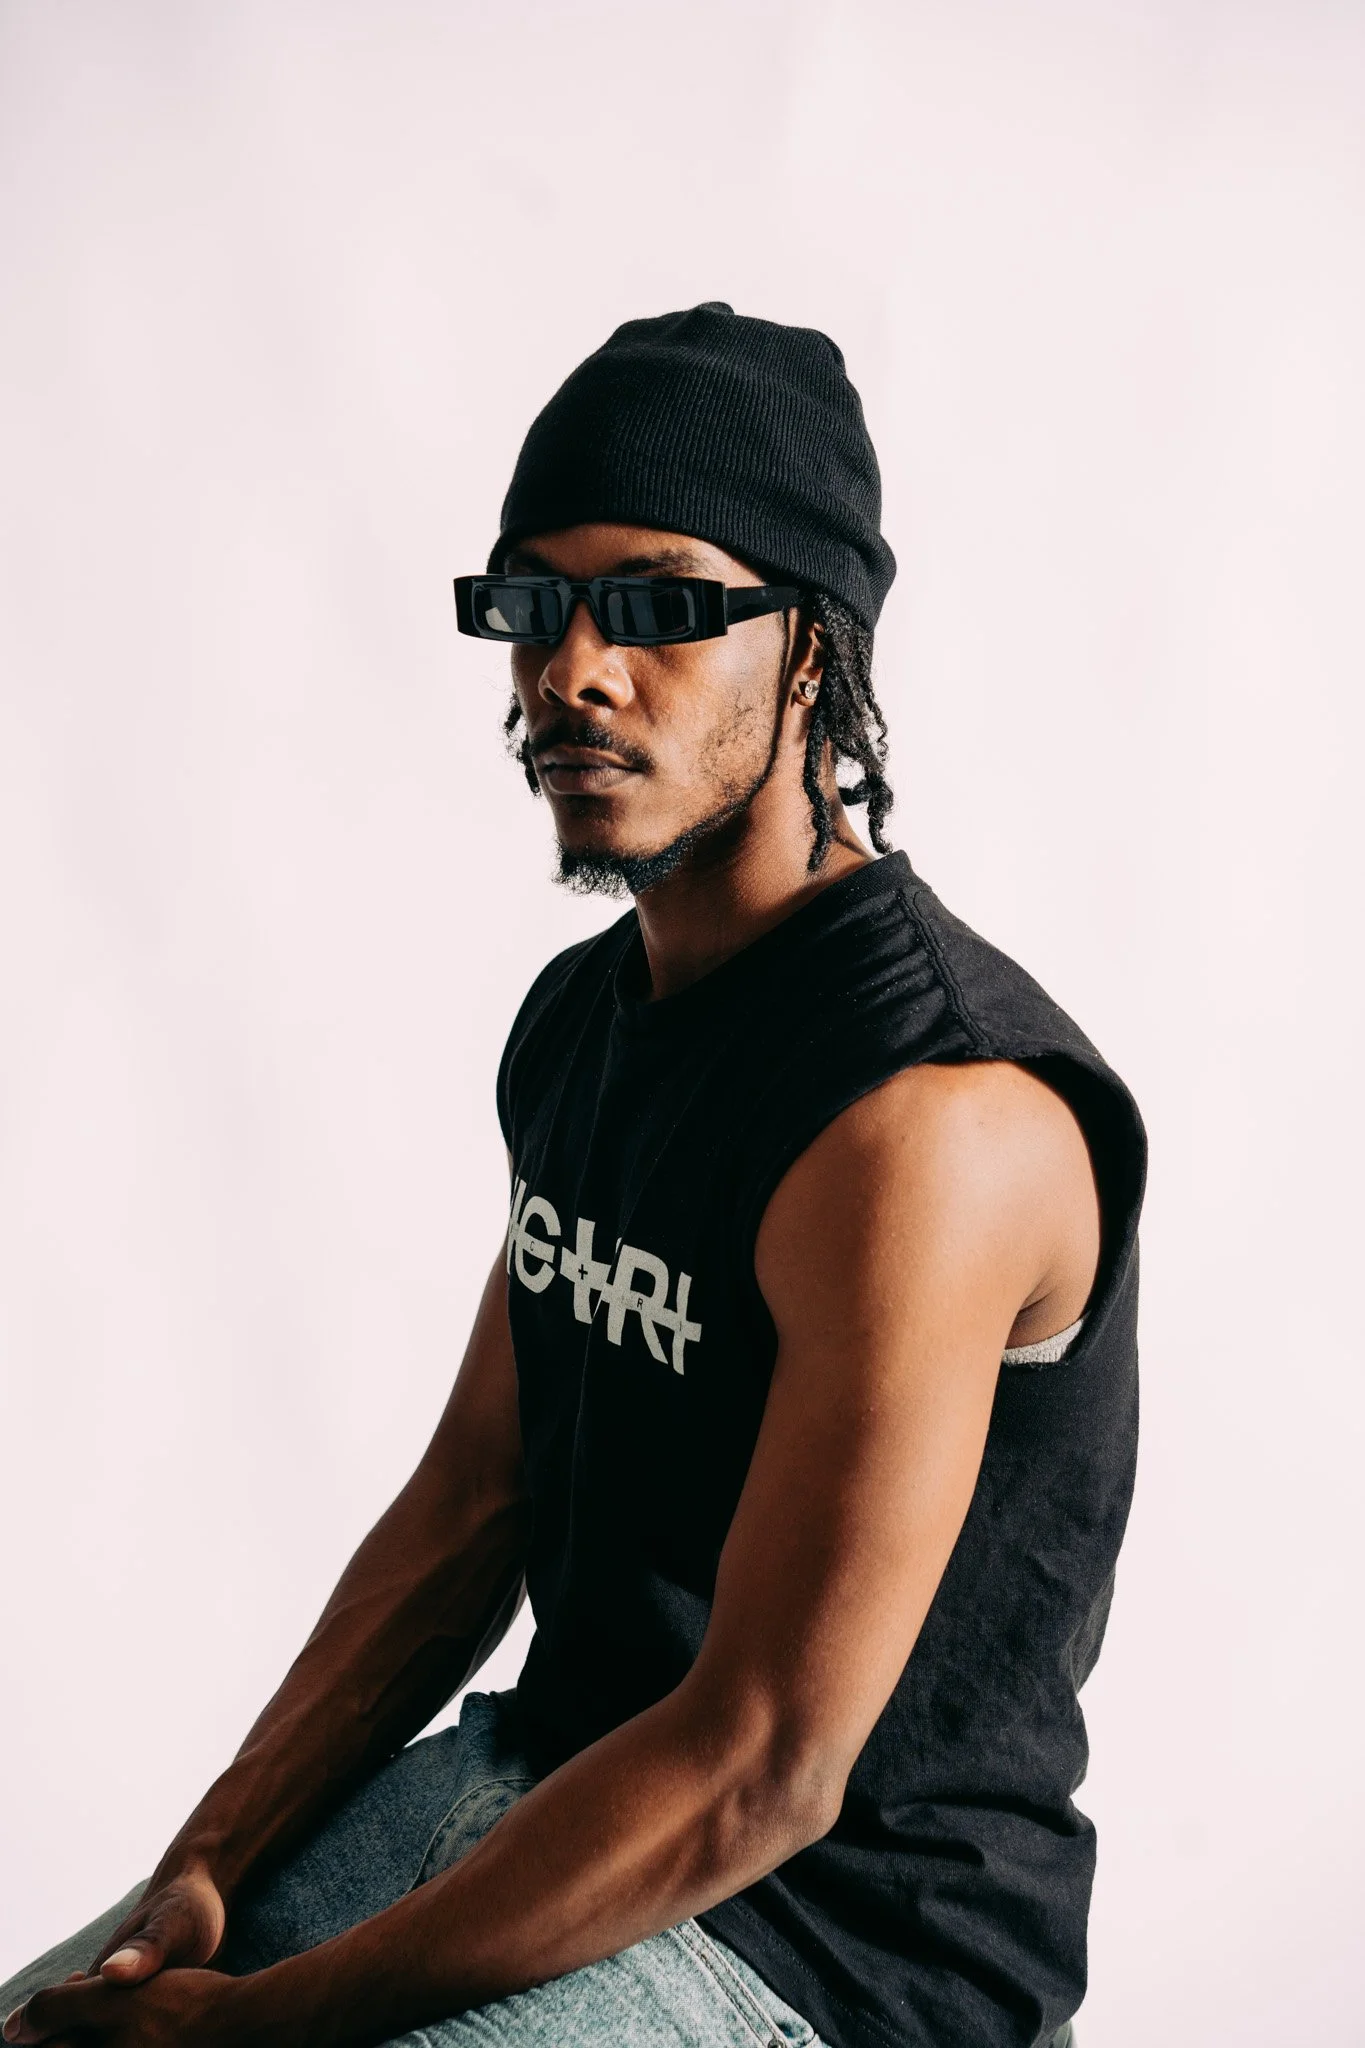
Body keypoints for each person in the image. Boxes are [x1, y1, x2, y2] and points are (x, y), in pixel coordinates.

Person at [2, 304, 1144, 2048]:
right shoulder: (588, 1018)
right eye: (535, 606)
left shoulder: (932, 1122)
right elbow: (480, 1499)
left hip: (835, 1956)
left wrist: (257, 2028)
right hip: (545, 1793)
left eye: (665, 608)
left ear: (813, 653)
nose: (576, 670)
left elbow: (762, 1766)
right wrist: (211, 1857)